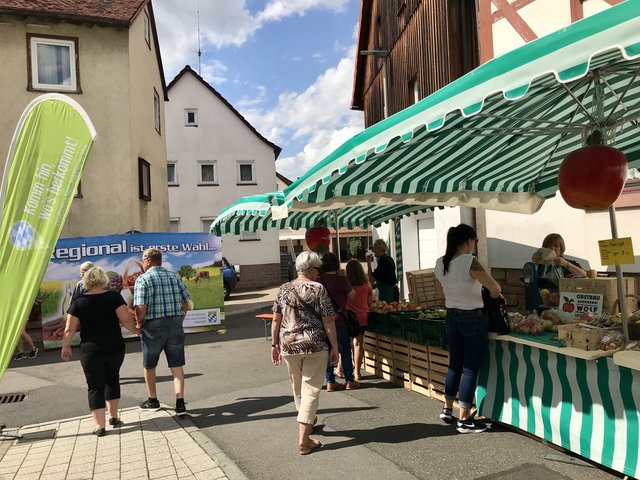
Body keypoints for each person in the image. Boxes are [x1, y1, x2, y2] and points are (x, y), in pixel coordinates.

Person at [434, 224, 502, 434]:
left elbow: (441, 292)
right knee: (470, 368)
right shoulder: (469, 261)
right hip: (472, 316)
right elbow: (495, 288)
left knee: (454, 365)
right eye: (474, 241)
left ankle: (447, 409)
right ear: (468, 241)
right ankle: (464, 419)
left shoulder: (440, 263)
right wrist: (488, 296)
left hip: (451, 315)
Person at [271, 251, 339, 455]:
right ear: (309, 269)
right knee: (310, 390)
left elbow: (276, 319)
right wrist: (335, 347)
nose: (318, 273)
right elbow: (328, 320)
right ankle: (303, 440)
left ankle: (308, 420)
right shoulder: (319, 289)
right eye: (317, 269)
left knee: (298, 388)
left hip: (289, 345)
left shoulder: (283, 289)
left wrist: (274, 345)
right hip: (314, 345)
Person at [61, 266, 138, 436]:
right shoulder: (114, 297)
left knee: (95, 386)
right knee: (112, 379)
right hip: (114, 346)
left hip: (91, 350)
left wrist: (66, 346)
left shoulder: (79, 301)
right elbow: (126, 319)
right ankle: (114, 417)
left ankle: (100, 426)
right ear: (104, 279)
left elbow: (69, 328)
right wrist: (136, 331)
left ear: (86, 281)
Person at [133, 248, 191, 416]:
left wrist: (139, 322)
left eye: (143, 259)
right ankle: (180, 403)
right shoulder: (174, 276)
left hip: (152, 327)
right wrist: (180, 318)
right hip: (175, 324)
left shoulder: (143, 279)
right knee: (176, 365)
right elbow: (186, 303)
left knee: (149, 365)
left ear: (148, 261)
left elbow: (140, 307)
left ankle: (153, 400)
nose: (142, 262)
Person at [319, 252, 358, 391]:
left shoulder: (318, 280)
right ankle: (349, 381)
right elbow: (352, 296)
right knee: (345, 350)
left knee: (327, 350)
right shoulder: (342, 279)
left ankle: (330, 381)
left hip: (324, 321)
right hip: (340, 320)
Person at [346, 260, 374, 381]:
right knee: (358, 344)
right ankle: (357, 372)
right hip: (362, 318)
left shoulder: (346, 285)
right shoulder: (367, 285)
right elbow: (370, 302)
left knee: (346, 345)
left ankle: (342, 369)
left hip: (348, 317)